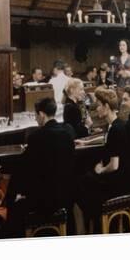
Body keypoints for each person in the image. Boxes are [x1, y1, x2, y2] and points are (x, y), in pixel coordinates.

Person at [8, 97, 76, 234]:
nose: (35, 119)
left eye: (36, 115)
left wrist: (13, 193)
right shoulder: (68, 134)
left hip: (44, 200)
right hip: (67, 195)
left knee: (13, 207)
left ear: (41, 114)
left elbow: (25, 170)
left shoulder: (36, 137)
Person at [74, 88, 130, 233]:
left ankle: (86, 231)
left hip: (117, 185)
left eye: (99, 105)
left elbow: (114, 165)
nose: (96, 108)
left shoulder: (116, 129)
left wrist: (100, 170)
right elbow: (106, 138)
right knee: (84, 180)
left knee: (76, 187)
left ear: (106, 106)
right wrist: (87, 142)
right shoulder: (117, 124)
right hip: (124, 180)